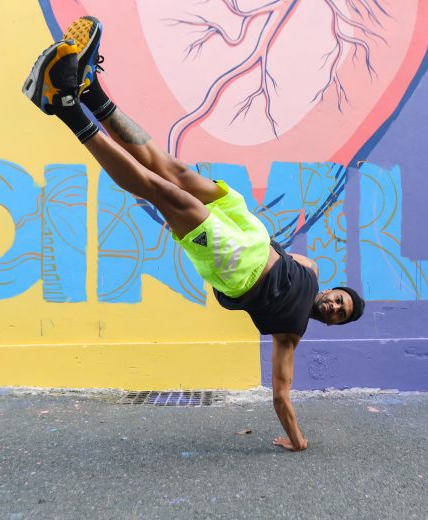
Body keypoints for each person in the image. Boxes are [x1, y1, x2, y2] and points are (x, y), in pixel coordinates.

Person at [22, 17, 365, 451]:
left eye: (338, 313)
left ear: (330, 323)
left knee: (163, 192)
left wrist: (297, 439)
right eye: (341, 299)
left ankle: (65, 106)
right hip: (250, 231)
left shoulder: (290, 331)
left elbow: (280, 394)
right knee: (173, 169)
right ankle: (91, 90)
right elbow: (296, 260)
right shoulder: (312, 271)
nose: (334, 306)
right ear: (335, 288)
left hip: (238, 267)